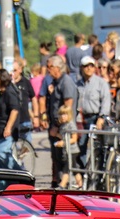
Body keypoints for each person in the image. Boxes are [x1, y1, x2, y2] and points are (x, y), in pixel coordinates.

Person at [39, 55, 78, 187]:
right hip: (55, 124)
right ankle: (57, 181)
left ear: (57, 68)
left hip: (63, 127)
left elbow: (68, 107)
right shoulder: (54, 82)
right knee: (56, 156)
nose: (47, 70)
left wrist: (57, 126)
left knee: (64, 157)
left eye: (49, 67)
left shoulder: (66, 82)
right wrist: (45, 117)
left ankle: (66, 184)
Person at [75, 56, 111, 168]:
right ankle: (85, 172)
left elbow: (106, 100)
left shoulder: (101, 83)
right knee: (80, 147)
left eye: (91, 66)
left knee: (99, 147)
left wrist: (101, 117)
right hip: (82, 118)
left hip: (96, 118)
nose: (89, 68)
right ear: (81, 68)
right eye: (86, 66)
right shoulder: (78, 84)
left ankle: (99, 173)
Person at [0, 69, 21, 188]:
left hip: (6, 129)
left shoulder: (9, 92)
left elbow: (14, 110)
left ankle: (20, 174)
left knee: (1, 152)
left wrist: (8, 127)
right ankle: (3, 187)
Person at [53, 105, 82, 189]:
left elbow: (74, 139)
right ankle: (80, 185)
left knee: (67, 167)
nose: (62, 116)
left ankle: (62, 185)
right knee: (75, 169)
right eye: (61, 114)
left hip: (73, 150)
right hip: (67, 150)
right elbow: (63, 137)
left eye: (65, 114)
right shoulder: (63, 125)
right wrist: (57, 135)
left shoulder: (71, 125)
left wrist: (63, 143)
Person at [12, 58, 40, 144]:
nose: (13, 73)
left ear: (20, 70)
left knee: (28, 146)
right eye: (11, 70)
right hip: (12, 121)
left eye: (15, 70)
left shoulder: (25, 82)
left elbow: (34, 98)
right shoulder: (8, 83)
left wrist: (36, 117)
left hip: (25, 120)